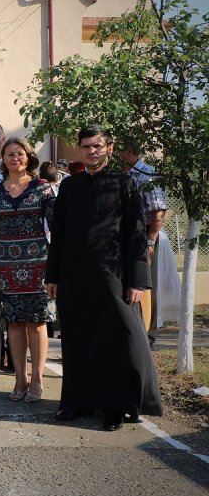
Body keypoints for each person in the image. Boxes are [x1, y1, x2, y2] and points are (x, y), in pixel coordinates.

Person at [47, 126, 162, 430]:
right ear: (81, 150)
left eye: (97, 146)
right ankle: (75, 403)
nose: (91, 151)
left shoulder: (126, 185)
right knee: (76, 339)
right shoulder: (70, 187)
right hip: (74, 276)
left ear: (110, 149)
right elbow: (58, 234)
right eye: (86, 147)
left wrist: (138, 280)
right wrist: (53, 275)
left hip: (113, 275)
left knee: (117, 341)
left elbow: (137, 236)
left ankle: (115, 407)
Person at [0, 137, 54, 402]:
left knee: (36, 323)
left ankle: (37, 380)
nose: (15, 158)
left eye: (20, 154)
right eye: (10, 154)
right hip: (6, 266)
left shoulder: (42, 188)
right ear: (3, 159)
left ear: (29, 157)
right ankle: (20, 379)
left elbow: (57, 225)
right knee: (13, 323)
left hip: (38, 264)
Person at [120, 142, 171, 334]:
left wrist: (150, 240)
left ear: (130, 151)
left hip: (145, 234)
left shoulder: (146, 174)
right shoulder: (122, 173)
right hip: (126, 236)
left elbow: (158, 211)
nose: (116, 153)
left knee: (144, 285)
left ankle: (147, 331)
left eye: (120, 149)